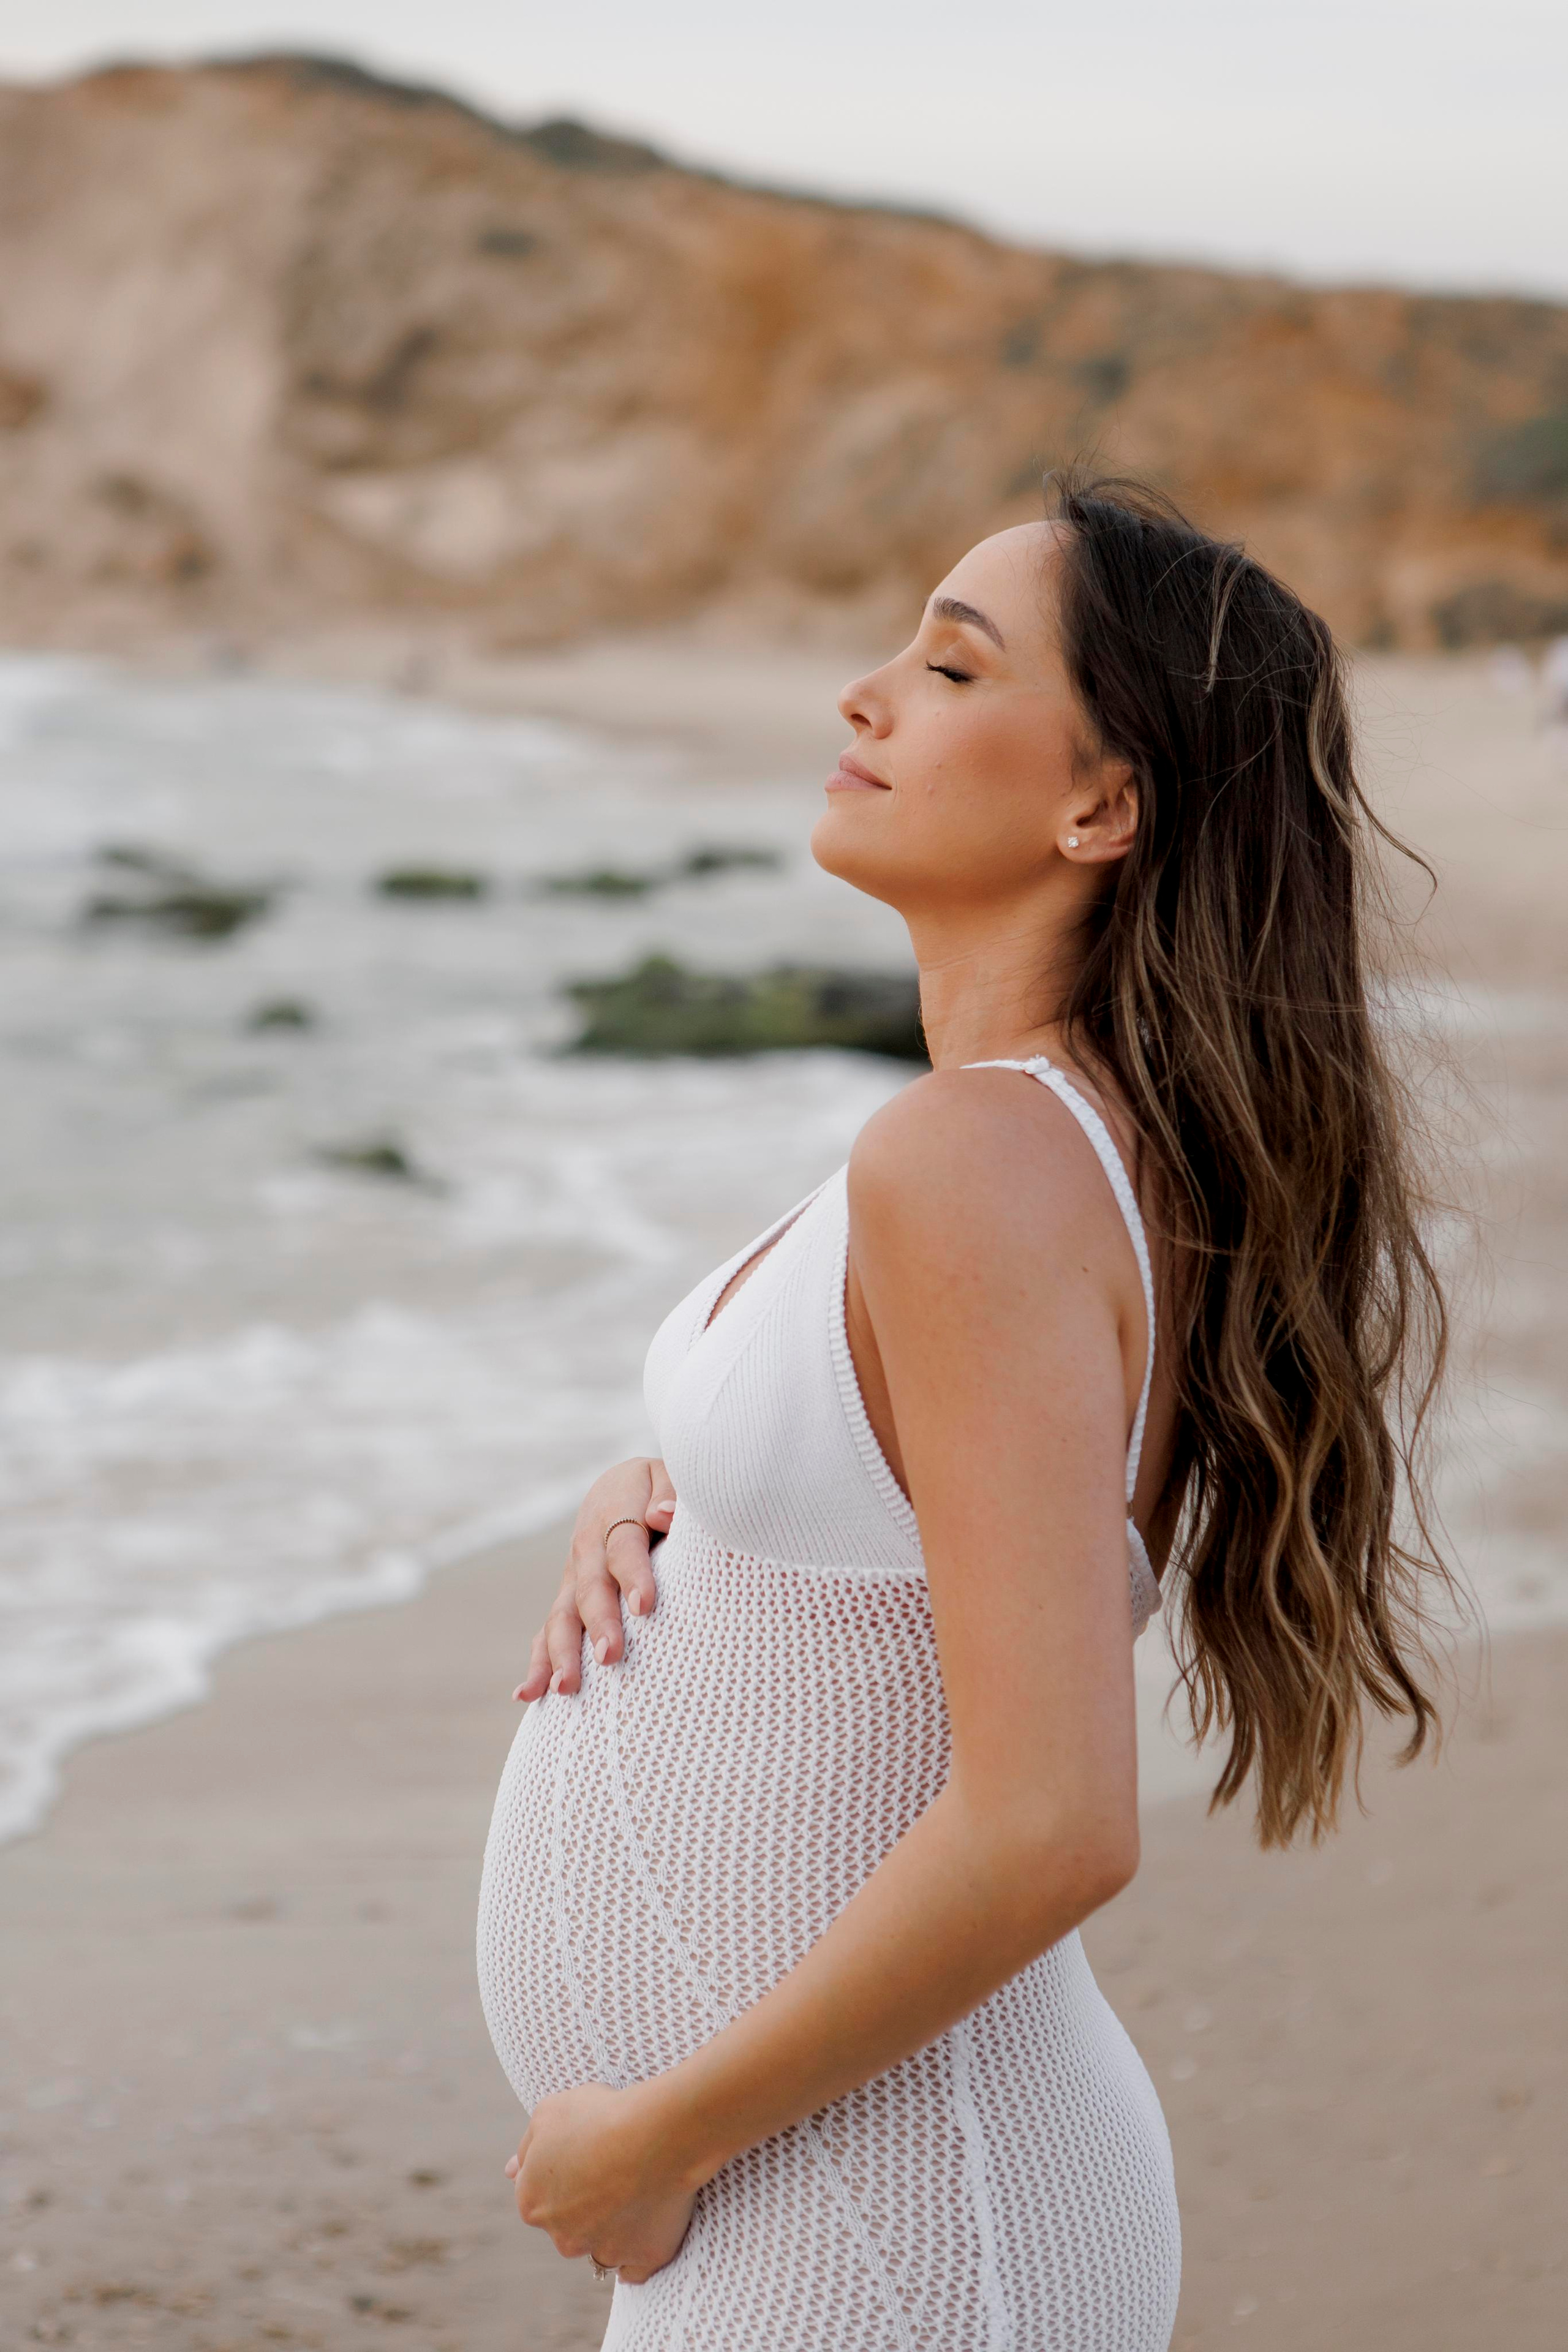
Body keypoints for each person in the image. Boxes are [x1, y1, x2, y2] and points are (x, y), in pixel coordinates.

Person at [477, 474, 1450, 2351]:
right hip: (838, 2189)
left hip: (883, 2209)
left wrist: (657, 2141)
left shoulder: (983, 1160)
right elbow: (914, 1492)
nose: (864, 696)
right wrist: (668, 1494)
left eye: (948, 665)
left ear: (1103, 804)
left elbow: (1053, 1820)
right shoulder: (1029, 1149)